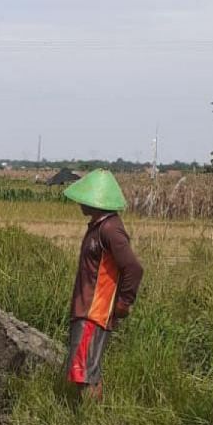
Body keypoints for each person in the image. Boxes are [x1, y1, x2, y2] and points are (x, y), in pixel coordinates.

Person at [61, 169, 143, 401]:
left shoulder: (110, 229)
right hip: (86, 309)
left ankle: (88, 417)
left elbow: (133, 268)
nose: (80, 203)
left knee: (85, 374)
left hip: (95, 311)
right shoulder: (99, 226)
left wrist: (124, 302)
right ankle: (91, 415)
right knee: (86, 370)